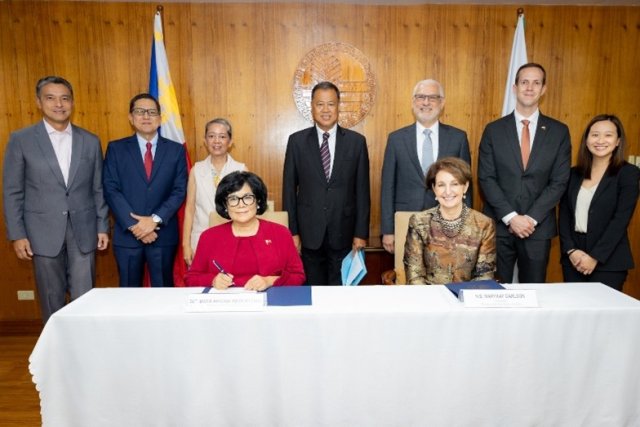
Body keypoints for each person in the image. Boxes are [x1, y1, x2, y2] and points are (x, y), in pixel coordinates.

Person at [2, 76, 109, 323]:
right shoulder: (21, 140)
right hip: (42, 233)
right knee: (52, 297)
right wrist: (17, 234)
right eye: (51, 98)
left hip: (84, 231)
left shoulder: (90, 140)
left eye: (65, 98)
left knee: (85, 298)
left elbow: (97, 188)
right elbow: (12, 191)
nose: (58, 104)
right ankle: (56, 354)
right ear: (39, 102)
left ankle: (83, 350)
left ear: (72, 102)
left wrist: (102, 226)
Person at [478, 63, 571, 283]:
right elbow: (486, 177)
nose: (530, 87)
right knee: (495, 292)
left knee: (535, 293)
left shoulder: (559, 131)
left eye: (536, 82)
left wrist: (529, 219)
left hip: (537, 229)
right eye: (524, 82)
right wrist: (511, 218)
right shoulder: (494, 130)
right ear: (514, 87)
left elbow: (559, 181)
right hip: (499, 226)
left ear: (544, 89)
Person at [282, 81, 370, 286]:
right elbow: (288, 190)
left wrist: (360, 233)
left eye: (331, 104)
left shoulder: (356, 142)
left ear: (338, 106)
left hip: (345, 232)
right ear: (312, 107)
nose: (325, 110)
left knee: (341, 295)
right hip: (309, 233)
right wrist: (292, 233)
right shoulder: (296, 141)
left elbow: (363, 191)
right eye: (320, 104)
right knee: (313, 291)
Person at [103, 93, 187, 287]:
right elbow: (110, 188)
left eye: (151, 112)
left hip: (162, 233)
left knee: (163, 291)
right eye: (140, 112)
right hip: (128, 235)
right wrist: (137, 225)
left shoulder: (176, 150)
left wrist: (154, 220)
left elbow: (179, 190)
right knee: (129, 294)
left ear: (160, 118)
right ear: (131, 118)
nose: (146, 117)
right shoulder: (116, 148)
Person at [381, 79, 472, 254]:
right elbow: (387, 187)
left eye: (432, 97)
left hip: (448, 223)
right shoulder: (396, 139)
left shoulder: (458, 138)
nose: (426, 102)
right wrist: (388, 230)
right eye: (421, 97)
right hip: (405, 222)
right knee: (406, 275)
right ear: (413, 101)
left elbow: (466, 187)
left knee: (445, 274)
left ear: (442, 102)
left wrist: (465, 226)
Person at [559, 115, 640, 291]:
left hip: (609, 261)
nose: (600, 140)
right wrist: (571, 251)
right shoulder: (573, 174)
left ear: (618, 141)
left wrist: (595, 257)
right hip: (574, 259)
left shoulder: (628, 173)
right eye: (595, 135)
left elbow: (620, 220)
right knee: (575, 315)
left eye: (608, 135)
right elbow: (564, 214)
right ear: (586, 140)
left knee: (604, 317)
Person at [185, 171, 305, 289]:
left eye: (247, 198)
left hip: (269, 302)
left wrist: (269, 281)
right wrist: (213, 280)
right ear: (225, 205)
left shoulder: (281, 233)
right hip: (225, 304)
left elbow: (298, 276)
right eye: (233, 199)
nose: (240, 205)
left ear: (258, 201)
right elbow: (191, 278)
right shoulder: (209, 237)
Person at [404, 157, 496, 285]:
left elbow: (484, 275)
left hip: (467, 298)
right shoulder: (419, 222)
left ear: (465, 187)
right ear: (434, 188)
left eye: (455, 184)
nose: (448, 191)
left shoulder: (484, 224)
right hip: (429, 299)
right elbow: (414, 275)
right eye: (441, 185)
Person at [182, 118, 247, 266]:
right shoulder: (196, 170)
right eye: (211, 136)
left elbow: (247, 210)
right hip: (200, 239)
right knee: (201, 284)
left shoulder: (241, 170)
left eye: (222, 136)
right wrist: (186, 245)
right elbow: (190, 209)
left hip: (234, 239)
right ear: (205, 140)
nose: (216, 141)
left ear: (230, 142)